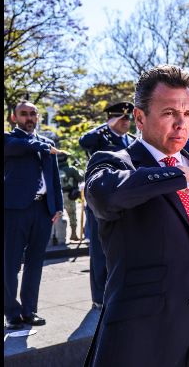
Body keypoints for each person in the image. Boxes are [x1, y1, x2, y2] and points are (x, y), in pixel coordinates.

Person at [83, 65, 189, 366]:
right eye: (169, 113)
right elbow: (104, 196)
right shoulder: (115, 163)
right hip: (139, 340)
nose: (181, 124)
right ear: (139, 117)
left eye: (188, 113)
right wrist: (175, 175)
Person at [4, 102, 67, 330]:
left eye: (33, 114)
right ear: (14, 118)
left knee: (35, 264)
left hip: (43, 211)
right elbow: (22, 146)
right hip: (14, 211)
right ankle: (12, 313)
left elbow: (54, 179)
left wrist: (58, 206)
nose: (29, 118)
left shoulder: (47, 144)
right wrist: (43, 146)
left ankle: (29, 310)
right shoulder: (9, 140)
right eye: (24, 114)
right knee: (10, 264)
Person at [79, 101, 137, 309]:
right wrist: (106, 126)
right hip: (101, 202)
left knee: (123, 249)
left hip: (125, 201)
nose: (126, 122)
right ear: (111, 119)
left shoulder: (131, 141)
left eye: (128, 118)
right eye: (121, 118)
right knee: (99, 251)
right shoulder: (100, 137)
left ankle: (119, 291)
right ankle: (99, 297)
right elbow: (83, 142)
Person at [57, 154, 84, 242]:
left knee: (57, 217)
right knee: (72, 215)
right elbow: (81, 178)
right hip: (69, 196)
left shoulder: (55, 169)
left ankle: (58, 237)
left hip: (57, 196)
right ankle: (73, 235)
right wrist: (78, 168)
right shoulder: (72, 169)